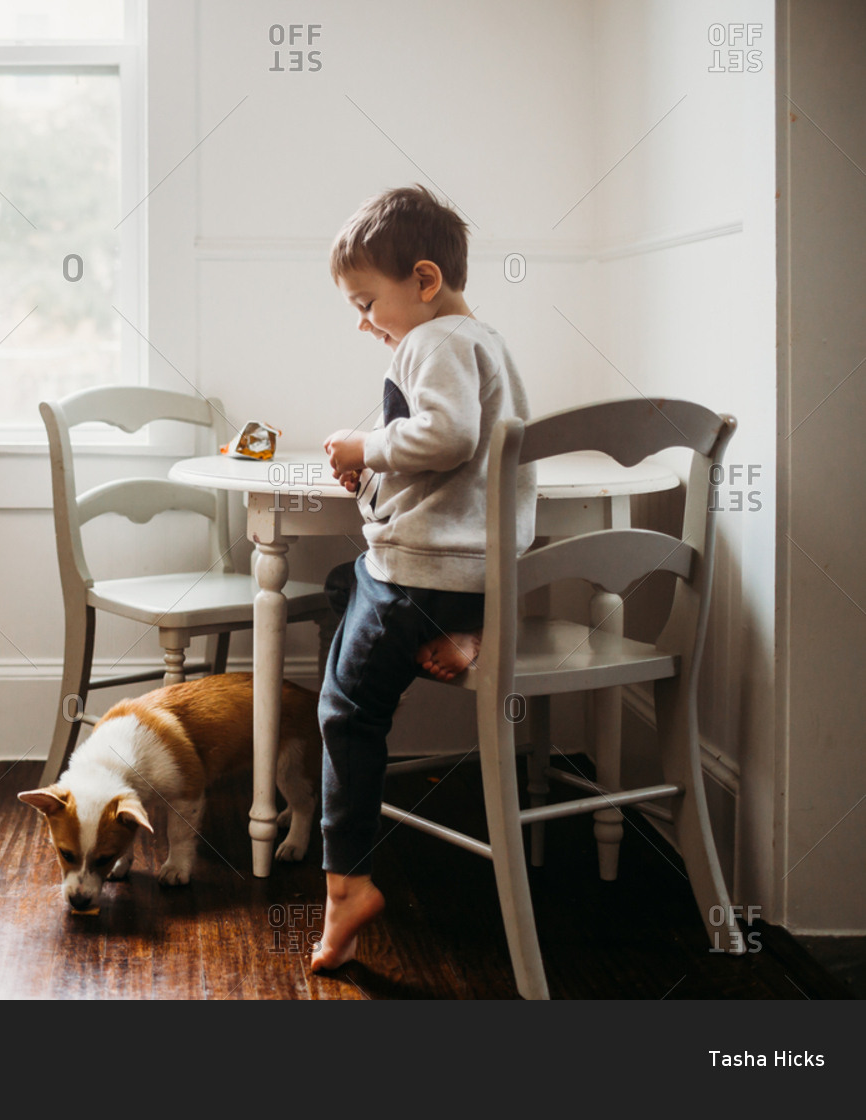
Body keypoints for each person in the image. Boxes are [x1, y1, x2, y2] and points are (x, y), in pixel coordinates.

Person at [311, 184, 536, 971]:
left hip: (422, 570)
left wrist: (361, 447)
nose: (365, 322)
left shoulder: (432, 340)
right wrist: (370, 466)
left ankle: (348, 889)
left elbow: (444, 437)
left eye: (368, 301)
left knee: (345, 708)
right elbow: (453, 458)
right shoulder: (485, 341)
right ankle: (463, 635)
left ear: (426, 280)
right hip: (479, 576)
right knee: (343, 587)